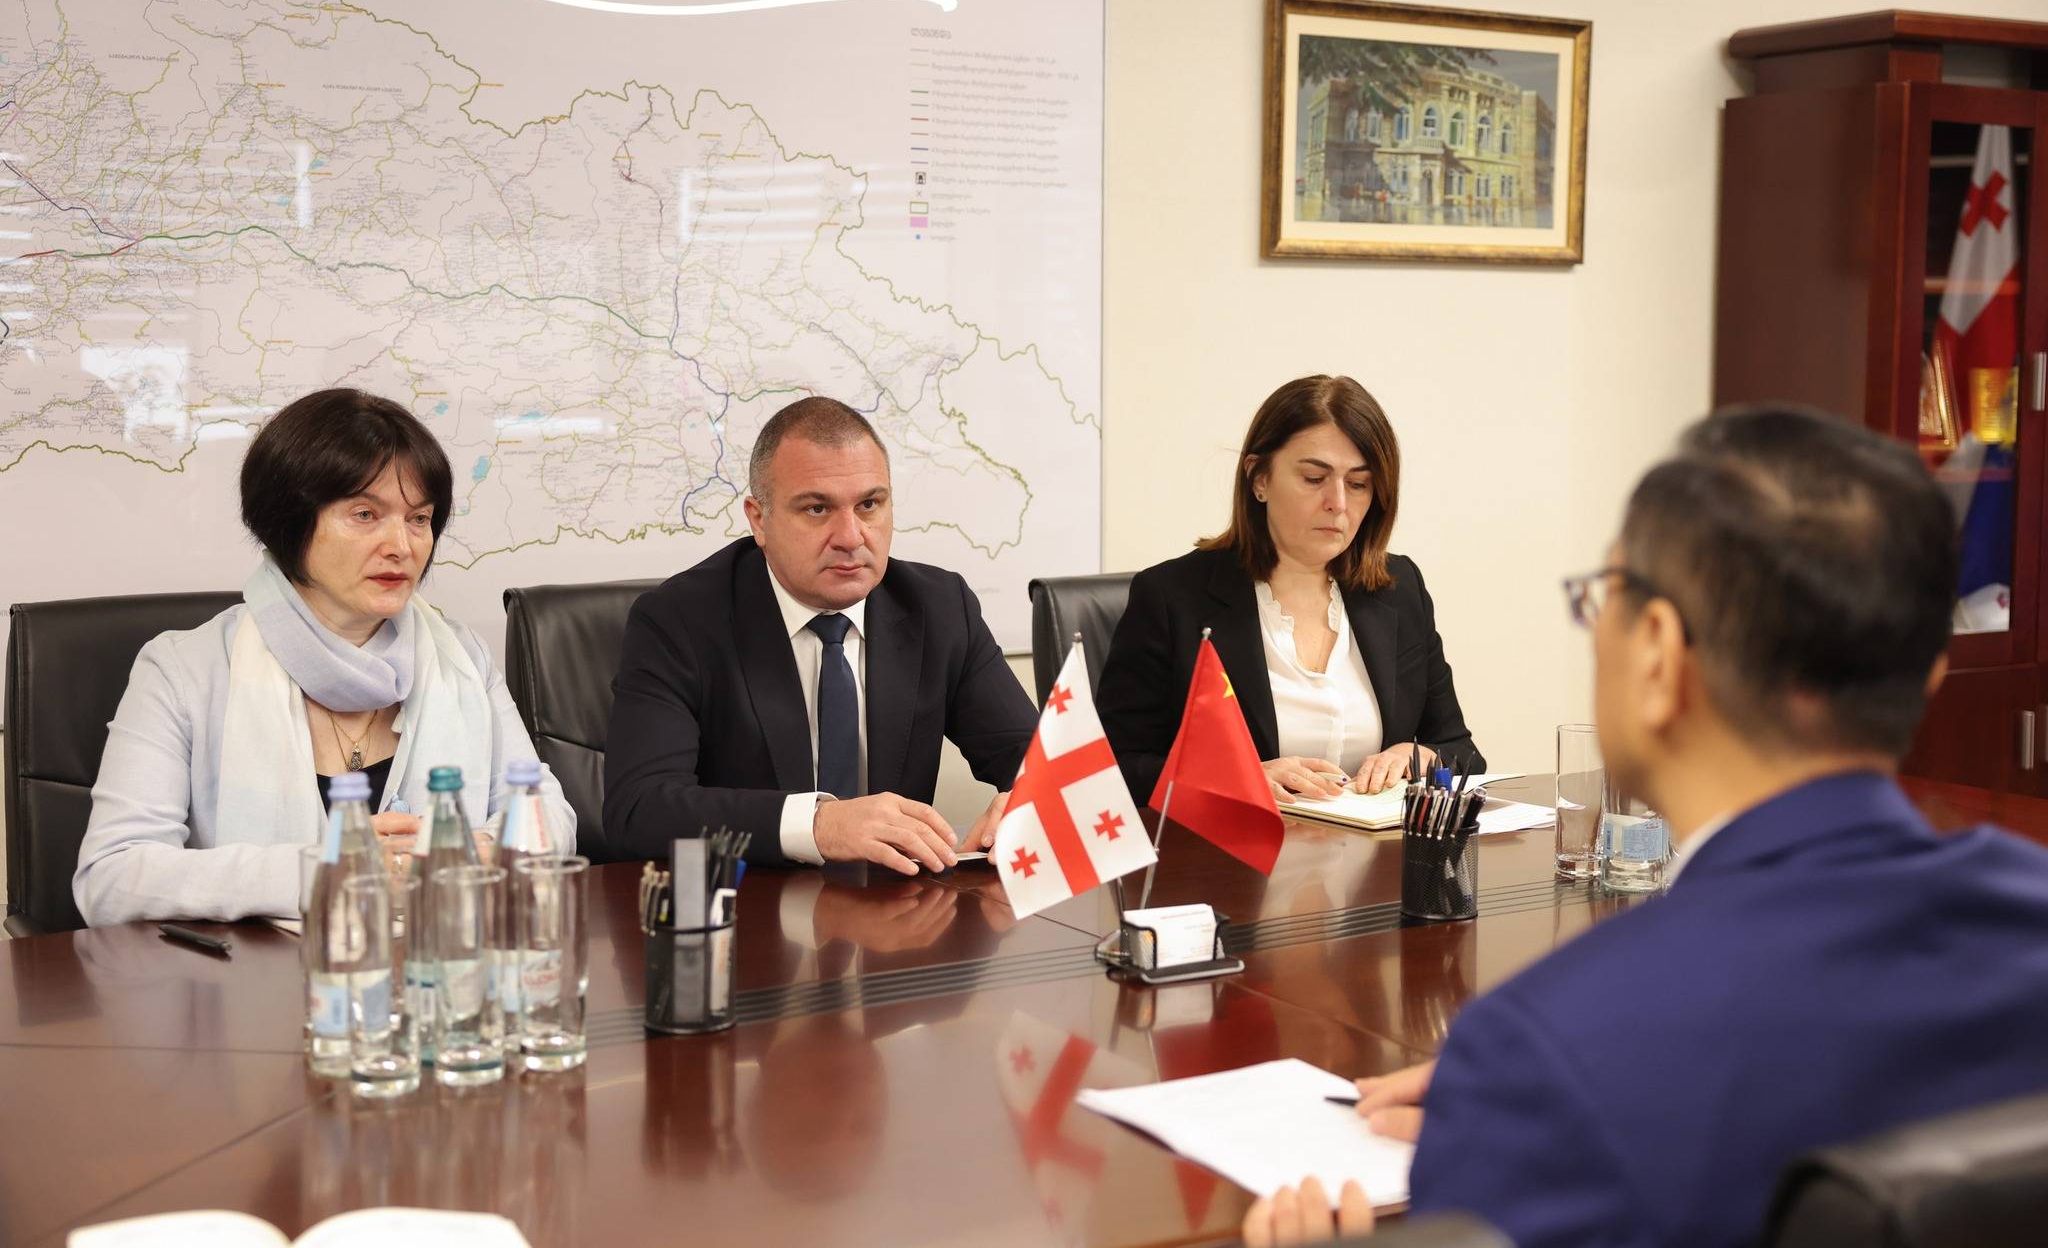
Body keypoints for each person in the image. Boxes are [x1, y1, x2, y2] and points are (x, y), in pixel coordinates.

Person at [1242, 405, 2048, 1248]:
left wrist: (1524, 1089)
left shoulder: (1546, 1050)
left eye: (1605, 600)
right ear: (1931, 672)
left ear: (1657, 653)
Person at [74, 388, 576, 927]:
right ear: (290, 521)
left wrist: (473, 854)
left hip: (440, 961)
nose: (402, 546)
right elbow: (112, 878)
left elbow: (549, 813)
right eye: (365, 513)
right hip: (258, 972)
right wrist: (324, 872)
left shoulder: (461, 655)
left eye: (418, 518)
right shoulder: (184, 670)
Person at [603, 396, 1036, 873]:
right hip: (753, 904)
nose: (850, 536)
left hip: (895, 908)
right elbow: (638, 809)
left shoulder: (939, 607)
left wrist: (1029, 799)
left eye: (869, 504)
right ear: (759, 519)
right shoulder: (678, 621)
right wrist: (819, 824)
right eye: (816, 508)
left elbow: (1042, 762)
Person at [1098, 375, 1481, 807]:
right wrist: (1232, 780)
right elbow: (1113, 769)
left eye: (1358, 484)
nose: (1338, 502)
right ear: (1259, 478)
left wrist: (1420, 757)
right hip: (1237, 847)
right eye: (1315, 478)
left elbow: (1460, 748)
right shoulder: (1171, 597)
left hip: (1376, 848)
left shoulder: (1399, 587)